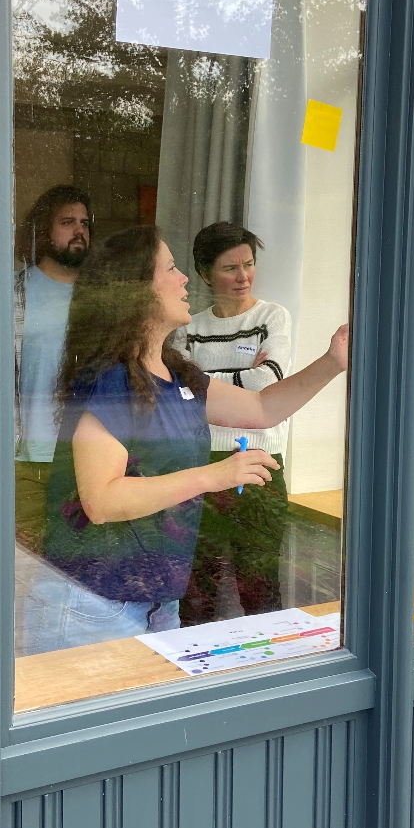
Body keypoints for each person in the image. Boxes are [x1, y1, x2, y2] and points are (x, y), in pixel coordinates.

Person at [24, 225, 349, 653]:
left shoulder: (178, 373)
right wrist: (213, 475)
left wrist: (333, 361)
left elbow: (262, 409)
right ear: (136, 289)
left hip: (158, 603)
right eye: (172, 268)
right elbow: (101, 501)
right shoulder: (110, 380)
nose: (183, 280)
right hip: (95, 605)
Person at [173, 222, 295, 623]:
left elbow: (268, 387)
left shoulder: (273, 317)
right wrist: (242, 380)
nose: (244, 277)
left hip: (259, 466)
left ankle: (270, 671)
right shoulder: (188, 326)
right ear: (206, 274)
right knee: (197, 589)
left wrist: (201, 380)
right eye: (230, 268)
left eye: (249, 264)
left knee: (259, 587)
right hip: (201, 463)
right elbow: (177, 392)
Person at [12, 185, 93, 552]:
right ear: (44, 231)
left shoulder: (102, 297)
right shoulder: (11, 294)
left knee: (77, 572)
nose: (80, 230)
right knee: (24, 571)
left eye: (84, 223)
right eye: (67, 222)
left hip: (90, 458)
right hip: (25, 459)